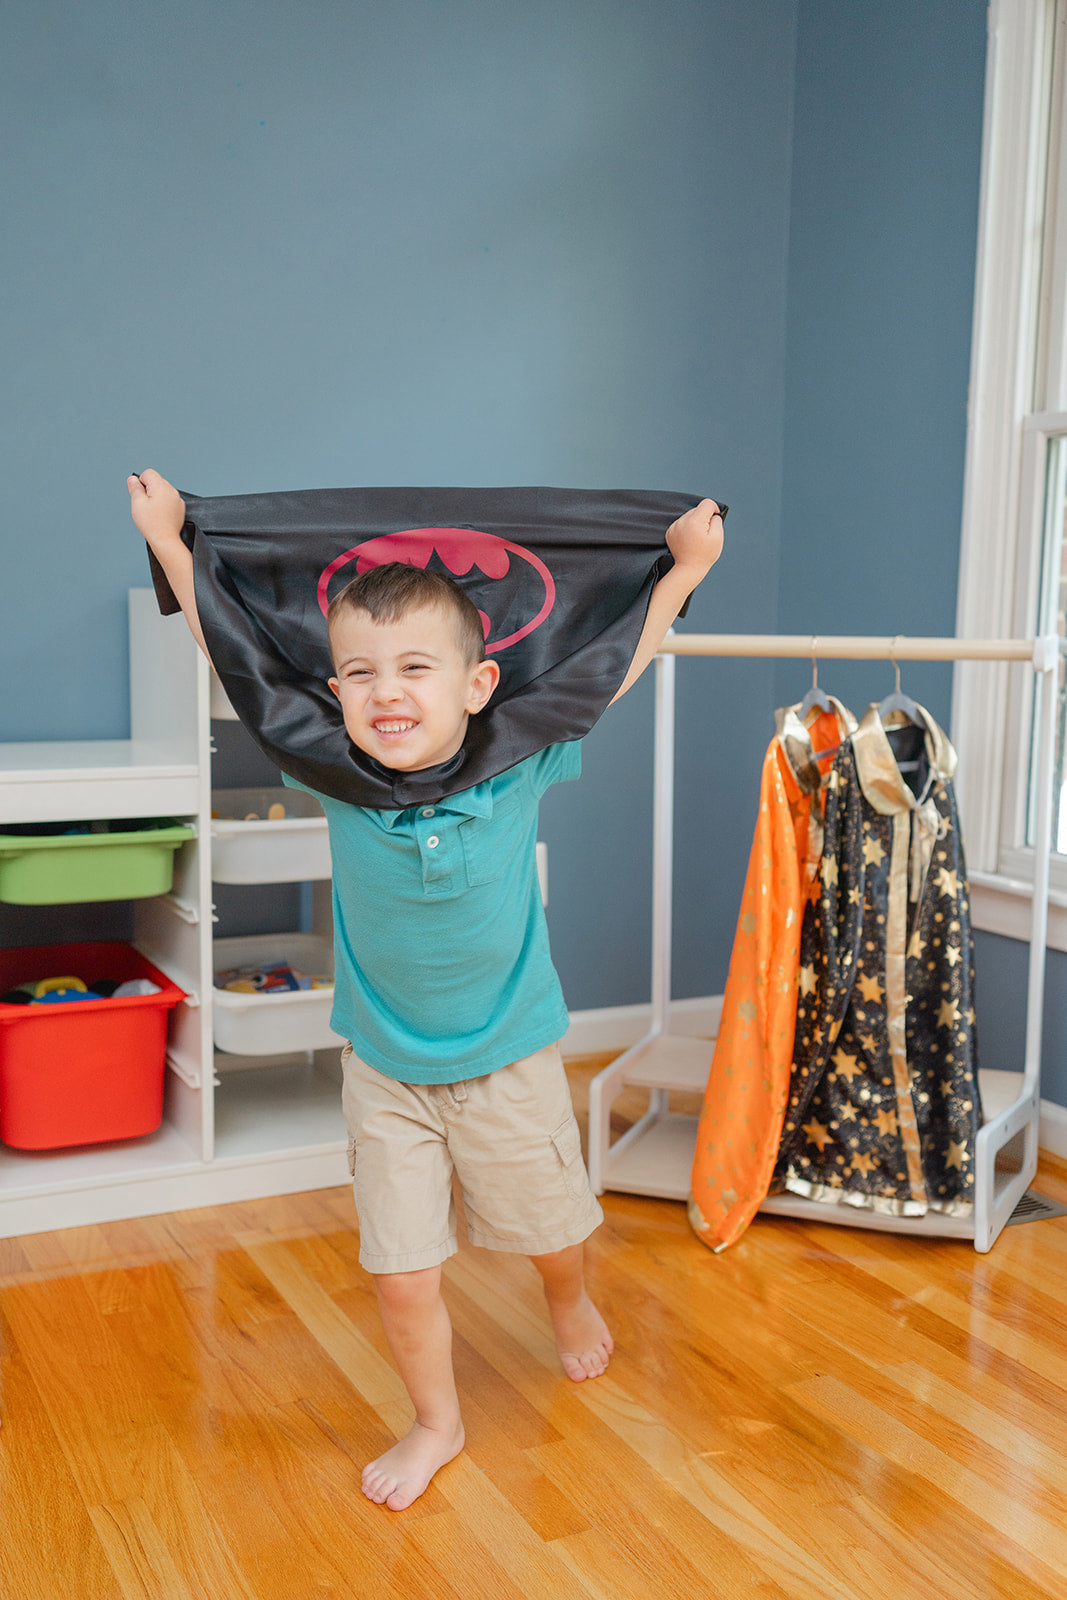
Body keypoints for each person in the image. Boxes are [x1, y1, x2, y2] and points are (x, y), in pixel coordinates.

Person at [127, 468, 724, 1511]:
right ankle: (435, 1421)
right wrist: (174, 545)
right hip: (387, 1068)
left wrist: (681, 574)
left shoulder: (517, 765)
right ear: (335, 694)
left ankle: (569, 1302)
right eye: (357, 673)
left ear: (477, 687)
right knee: (402, 1271)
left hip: (510, 1057)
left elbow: (607, 669)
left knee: (548, 1231)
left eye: (413, 667)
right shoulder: (328, 769)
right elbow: (233, 659)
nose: (385, 690)